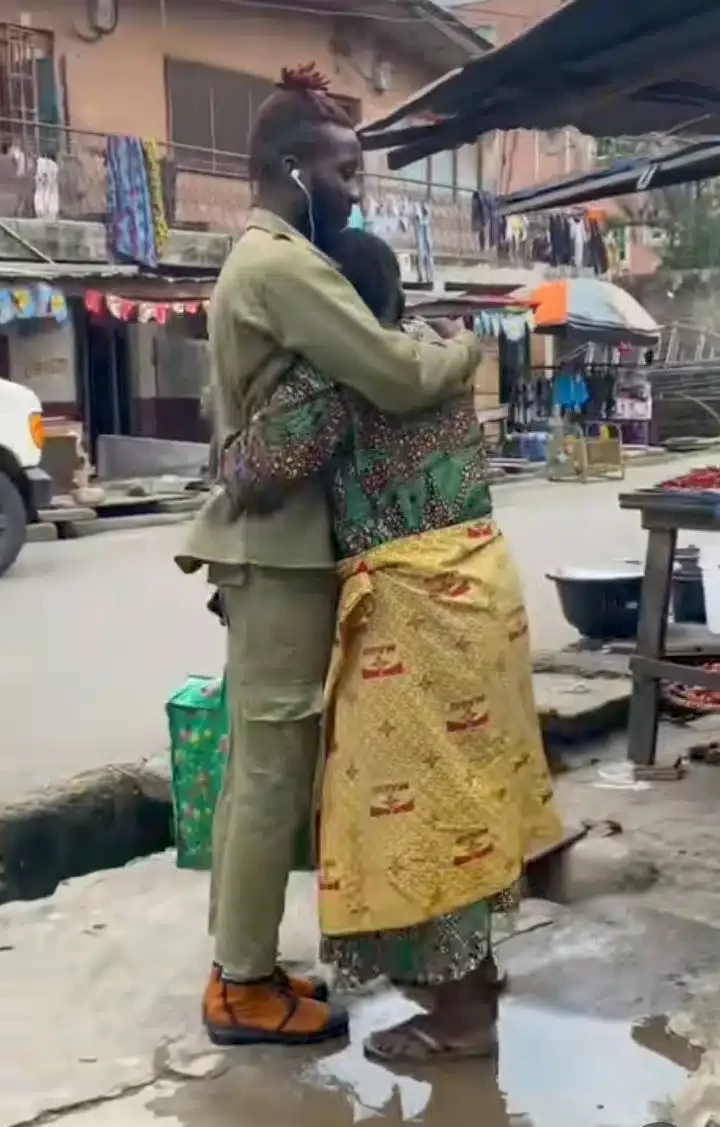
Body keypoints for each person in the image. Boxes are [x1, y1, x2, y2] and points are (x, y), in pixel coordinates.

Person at [176, 65, 483, 1049]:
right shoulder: (283, 267)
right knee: (272, 768)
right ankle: (241, 985)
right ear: (294, 166)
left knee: (257, 765)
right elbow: (390, 372)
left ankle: (247, 958)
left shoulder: (261, 261)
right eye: (345, 168)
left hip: (267, 548)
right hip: (280, 552)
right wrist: (462, 352)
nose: (355, 187)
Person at [220, 227, 564, 1064]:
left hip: (413, 616)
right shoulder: (427, 353)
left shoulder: (335, 378)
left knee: (422, 816)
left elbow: (251, 471)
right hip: (483, 590)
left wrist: (239, 410)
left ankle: (461, 1014)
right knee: (476, 789)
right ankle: (474, 971)